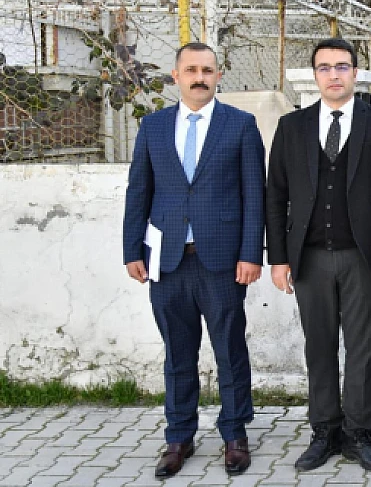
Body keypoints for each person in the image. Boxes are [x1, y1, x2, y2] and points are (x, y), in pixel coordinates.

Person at [122, 42, 265, 478]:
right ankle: (179, 435)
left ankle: (234, 433)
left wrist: (250, 253)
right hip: (166, 261)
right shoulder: (153, 127)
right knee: (177, 353)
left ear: (218, 75)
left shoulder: (240, 125)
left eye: (207, 70)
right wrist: (132, 250)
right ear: (176, 75)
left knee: (229, 349)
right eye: (191, 70)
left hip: (221, 260)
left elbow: (254, 195)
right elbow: (139, 191)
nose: (199, 77)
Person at [266, 38, 371, 473]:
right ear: (316, 75)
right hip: (309, 258)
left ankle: (359, 434)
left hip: (362, 256)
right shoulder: (292, 126)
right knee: (319, 347)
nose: (334, 75)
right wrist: (278, 258)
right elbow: (276, 195)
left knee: (362, 349)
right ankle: (324, 430)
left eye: (342, 67)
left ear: (356, 74)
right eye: (325, 68)